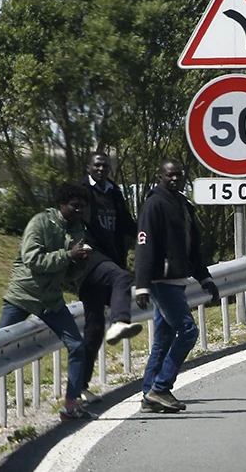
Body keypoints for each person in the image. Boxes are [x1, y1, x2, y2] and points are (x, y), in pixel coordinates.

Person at [0, 183, 97, 420]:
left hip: (51, 300)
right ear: (62, 204)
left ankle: (71, 406)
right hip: (23, 296)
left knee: (77, 346)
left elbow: (68, 274)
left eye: (83, 207)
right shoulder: (40, 223)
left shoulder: (77, 231)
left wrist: (80, 263)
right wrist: (67, 255)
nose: (79, 211)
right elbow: (33, 260)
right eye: (75, 206)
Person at [133, 158, 220, 414]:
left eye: (179, 175)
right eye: (169, 175)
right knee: (188, 331)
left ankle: (150, 393)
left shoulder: (183, 205)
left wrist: (204, 278)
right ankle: (161, 387)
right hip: (162, 282)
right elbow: (144, 246)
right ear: (160, 175)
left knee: (163, 338)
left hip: (178, 280)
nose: (174, 179)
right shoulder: (154, 204)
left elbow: (193, 247)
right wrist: (142, 285)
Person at [78, 152, 144, 404]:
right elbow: (68, 214)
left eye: (105, 165)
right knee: (122, 277)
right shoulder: (81, 189)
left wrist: (145, 234)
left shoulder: (114, 192)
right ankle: (119, 321)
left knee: (93, 329)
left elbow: (126, 223)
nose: (101, 168)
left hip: (110, 259)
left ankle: (79, 387)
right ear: (88, 167)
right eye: (97, 165)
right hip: (90, 258)